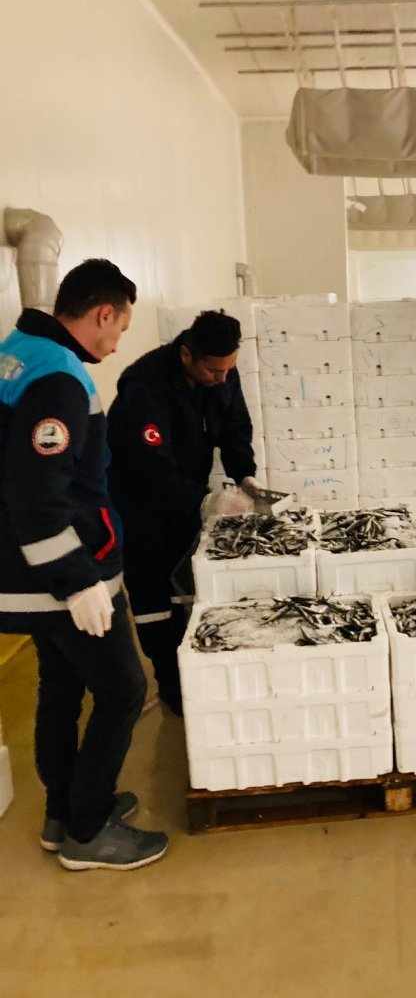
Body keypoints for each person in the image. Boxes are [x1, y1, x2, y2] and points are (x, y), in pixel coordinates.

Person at [0, 258, 168, 871]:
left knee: (62, 688)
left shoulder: (17, 351)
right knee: (124, 691)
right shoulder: (59, 379)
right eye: (120, 328)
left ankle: (62, 813)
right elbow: (38, 494)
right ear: (103, 313)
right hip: (56, 577)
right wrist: (78, 583)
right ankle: (89, 830)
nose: (118, 343)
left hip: (27, 572)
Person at [107, 310, 259, 716]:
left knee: (188, 587)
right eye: (213, 370)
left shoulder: (222, 374)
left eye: (229, 369)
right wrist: (205, 501)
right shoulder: (145, 387)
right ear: (187, 354)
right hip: (141, 505)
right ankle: (170, 684)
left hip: (185, 496)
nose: (222, 379)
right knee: (156, 598)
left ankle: (197, 670)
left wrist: (245, 475)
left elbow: (235, 427)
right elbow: (151, 469)